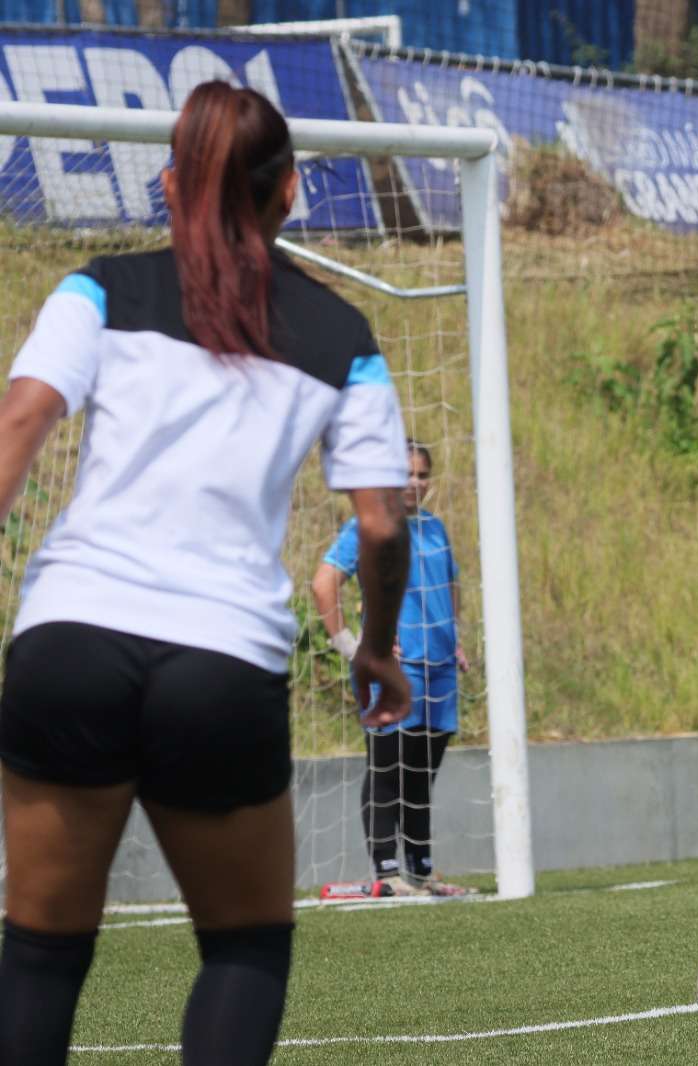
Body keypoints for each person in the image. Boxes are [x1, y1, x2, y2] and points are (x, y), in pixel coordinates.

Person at [0, 83, 412, 1065]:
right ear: (293, 192)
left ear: (170, 182)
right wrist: (380, 646)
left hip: (68, 640)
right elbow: (380, 523)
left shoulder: (98, 288)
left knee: (43, 952)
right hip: (220, 660)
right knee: (244, 947)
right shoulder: (340, 337)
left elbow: (18, 426)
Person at [312, 440, 471, 896]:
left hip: (439, 669)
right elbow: (325, 583)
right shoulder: (367, 527)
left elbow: (451, 583)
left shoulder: (436, 528)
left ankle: (420, 869)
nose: (415, 483)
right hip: (392, 672)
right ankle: (386, 869)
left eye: (422, 475)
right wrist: (354, 646)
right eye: (405, 474)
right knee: (388, 772)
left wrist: (452, 635)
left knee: (422, 775)